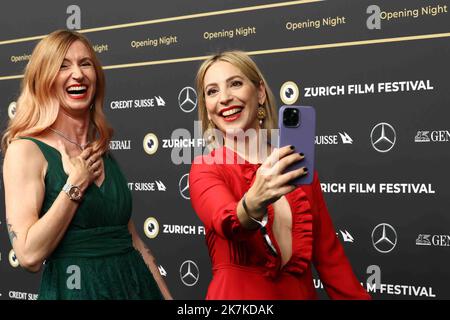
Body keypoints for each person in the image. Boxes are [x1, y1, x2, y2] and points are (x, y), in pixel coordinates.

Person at [2, 30, 172, 300]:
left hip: (137, 289)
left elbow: (134, 242)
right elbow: (28, 254)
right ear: (44, 79)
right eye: (63, 66)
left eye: (85, 64)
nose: (78, 74)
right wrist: (75, 185)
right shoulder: (25, 150)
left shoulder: (99, 149)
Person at [189, 51, 371, 299]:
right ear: (208, 111)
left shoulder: (297, 166)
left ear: (260, 92)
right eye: (212, 91)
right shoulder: (206, 168)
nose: (225, 98)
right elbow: (226, 222)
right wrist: (253, 202)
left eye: (235, 83)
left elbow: (331, 260)